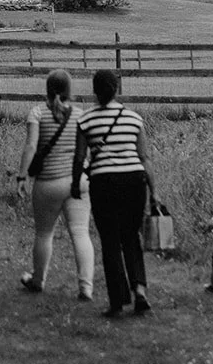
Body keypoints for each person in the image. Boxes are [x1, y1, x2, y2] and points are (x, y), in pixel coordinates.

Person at [71, 68, 158, 318]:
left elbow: (79, 158)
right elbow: (145, 158)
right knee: (131, 237)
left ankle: (118, 300)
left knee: (110, 240)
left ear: (95, 91)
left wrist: (76, 184)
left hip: (103, 182)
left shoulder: (85, 120)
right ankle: (140, 290)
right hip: (134, 181)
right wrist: (154, 192)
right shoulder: (134, 118)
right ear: (117, 89)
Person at [14, 69, 95, 300]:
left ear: (47, 90)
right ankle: (86, 287)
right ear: (70, 90)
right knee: (80, 233)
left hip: (48, 182)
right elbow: (86, 151)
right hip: (78, 182)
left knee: (43, 233)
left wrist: (22, 177)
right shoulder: (81, 114)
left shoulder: (37, 113)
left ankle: (38, 280)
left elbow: (31, 147)